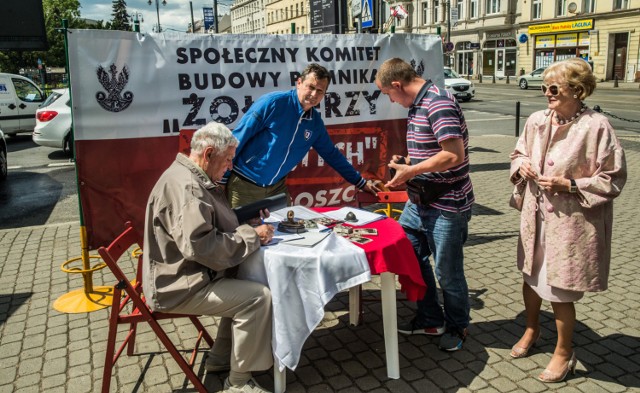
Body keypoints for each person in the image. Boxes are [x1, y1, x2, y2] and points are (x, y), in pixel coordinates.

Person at [509, 58, 626, 382]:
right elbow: (518, 153)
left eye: (553, 88)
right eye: (545, 87)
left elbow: (614, 178)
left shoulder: (597, 126)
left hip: (572, 223)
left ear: (577, 89)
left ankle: (564, 351)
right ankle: (531, 330)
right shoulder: (535, 121)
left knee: (561, 288)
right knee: (530, 277)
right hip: (536, 217)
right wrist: (523, 167)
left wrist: (571, 185)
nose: (546, 93)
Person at [142, 122, 276, 393]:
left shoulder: (187, 174)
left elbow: (206, 225)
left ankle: (218, 363)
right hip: (179, 286)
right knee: (258, 298)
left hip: (184, 275)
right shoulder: (189, 189)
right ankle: (237, 383)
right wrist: (253, 236)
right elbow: (202, 246)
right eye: (227, 160)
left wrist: (242, 218)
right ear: (209, 153)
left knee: (243, 285)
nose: (229, 167)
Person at [375, 58, 474, 351]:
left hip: (446, 205)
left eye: (388, 94)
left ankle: (458, 326)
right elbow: (433, 153)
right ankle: (431, 318)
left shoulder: (437, 102)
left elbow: (453, 155)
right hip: (419, 202)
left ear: (397, 85)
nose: (390, 100)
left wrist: (411, 171)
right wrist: (408, 163)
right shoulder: (419, 103)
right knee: (410, 257)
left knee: (448, 272)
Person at [220, 63, 380, 208]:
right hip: (244, 185)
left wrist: (360, 182)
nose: (314, 94)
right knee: (243, 236)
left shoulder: (315, 123)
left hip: (277, 188)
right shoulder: (272, 103)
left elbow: (332, 155)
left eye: (320, 91)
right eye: (310, 87)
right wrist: (222, 179)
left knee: (285, 236)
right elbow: (237, 139)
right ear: (298, 83)